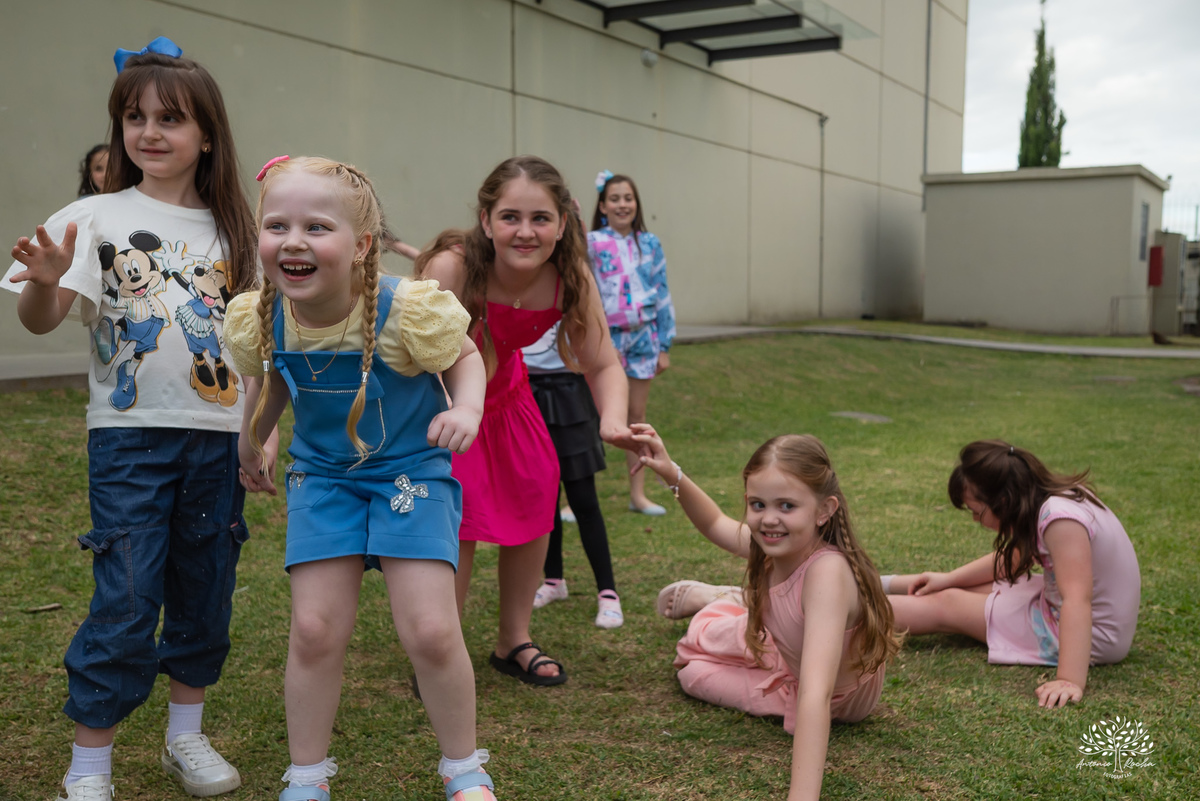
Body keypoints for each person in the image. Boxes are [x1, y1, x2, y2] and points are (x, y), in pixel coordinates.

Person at [5, 38, 260, 800]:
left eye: (170, 118)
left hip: (217, 442)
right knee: (124, 595)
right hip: (128, 440)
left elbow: (253, 342)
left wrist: (261, 427)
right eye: (135, 117)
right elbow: (41, 319)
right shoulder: (93, 216)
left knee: (204, 588)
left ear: (206, 134)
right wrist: (46, 282)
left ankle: (186, 737)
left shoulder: (238, 228)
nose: (150, 131)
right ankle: (89, 766)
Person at [228, 155, 495, 801]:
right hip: (324, 478)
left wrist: (466, 408)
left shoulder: (407, 309)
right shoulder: (261, 314)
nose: (293, 241)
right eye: (277, 225)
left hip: (410, 473)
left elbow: (465, 358)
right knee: (315, 630)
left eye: (317, 227)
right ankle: (306, 775)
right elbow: (269, 384)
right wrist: (256, 438)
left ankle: (464, 769)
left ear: (362, 245)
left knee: (431, 630)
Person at [417, 155, 633, 686]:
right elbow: (409, 357)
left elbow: (603, 363)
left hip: (510, 400)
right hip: (441, 402)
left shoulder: (568, 279)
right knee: (457, 518)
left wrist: (613, 422)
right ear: (486, 220)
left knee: (537, 493)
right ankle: (440, 651)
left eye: (540, 218)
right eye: (510, 216)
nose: (525, 231)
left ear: (562, 225)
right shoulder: (451, 268)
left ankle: (513, 639)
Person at [632, 425, 899, 801]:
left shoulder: (826, 574)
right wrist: (671, 472)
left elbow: (816, 693)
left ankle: (727, 601)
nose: (769, 518)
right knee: (702, 638)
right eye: (758, 505)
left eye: (786, 506)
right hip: (789, 652)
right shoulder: (773, 541)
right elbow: (715, 523)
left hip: (836, 695)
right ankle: (730, 602)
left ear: (824, 510)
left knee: (693, 674)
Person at [883, 440, 1141, 709]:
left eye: (977, 511)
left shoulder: (1061, 521)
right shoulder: (1056, 499)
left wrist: (1069, 680)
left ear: (1003, 502)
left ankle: (858, 610)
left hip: (1093, 635)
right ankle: (876, 585)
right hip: (1068, 610)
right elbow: (1014, 561)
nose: (975, 520)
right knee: (955, 589)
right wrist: (950, 577)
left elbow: (1076, 599)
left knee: (947, 603)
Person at [523, 321, 623, 628]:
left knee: (584, 500)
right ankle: (553, 580)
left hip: (570, 394)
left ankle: (608, 592)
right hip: (524, 393)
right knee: (544, 500)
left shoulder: (572, 296)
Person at [589, 171, 676, 515]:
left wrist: (665, 345)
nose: (622, 204)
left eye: (628, 198)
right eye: (614, 199)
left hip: (644, 339)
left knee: (636, 419)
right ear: (603, 206)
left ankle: (638, 495)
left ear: (636, 204)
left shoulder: (650, 243)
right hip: (603, 340)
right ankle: (577, 500)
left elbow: (663, 292)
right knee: (590, 418)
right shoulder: (592, 243)